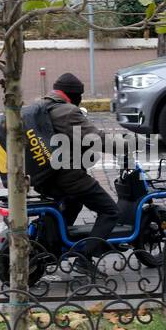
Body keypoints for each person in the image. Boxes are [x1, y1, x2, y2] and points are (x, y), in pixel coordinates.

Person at [39, 72, 118, 264]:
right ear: (75, 96)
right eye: (79, 96)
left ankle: (54, 247)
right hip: (69, 178)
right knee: (110, 211)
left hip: (44, 178)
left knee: (75, 202)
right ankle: (84, 258)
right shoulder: (67, 112)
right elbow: (95, 139)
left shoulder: (41, 107)